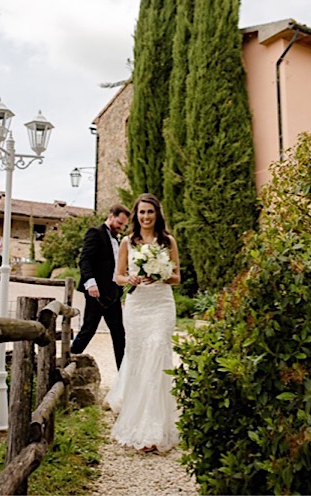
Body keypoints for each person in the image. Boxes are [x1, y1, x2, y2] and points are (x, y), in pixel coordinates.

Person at [105, 193, 181, 453]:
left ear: (157, 213)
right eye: (141, 212)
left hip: (161, 304)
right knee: (138, 358)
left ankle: (157, 428)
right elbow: (118, 276)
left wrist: (161, 273)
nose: (146, 216)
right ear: (136, 216)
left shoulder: (167, 240)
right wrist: (132, 280)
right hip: (138, 307)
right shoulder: (128, 241)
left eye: (150, 212)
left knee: (158, 352)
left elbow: (177, 277)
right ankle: (138, 421)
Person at [70, 203, 131, 369]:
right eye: (119, 223)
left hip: (113, 293)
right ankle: (67, 361)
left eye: (123, 225)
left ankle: (123, 374)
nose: (120, 228)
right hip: (96, 292)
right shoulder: (95, 233)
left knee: (119, 333)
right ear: (111, 216)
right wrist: (90, 284)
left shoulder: (117, 240)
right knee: (88, 329)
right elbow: (85, 260)